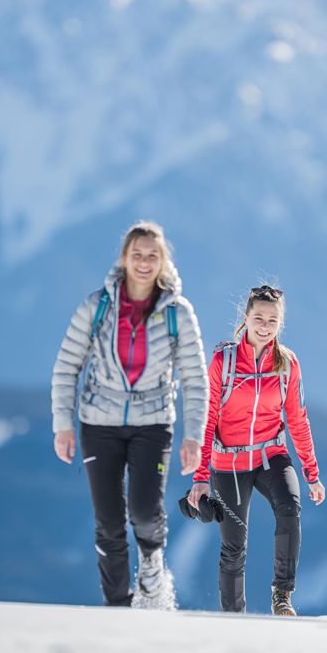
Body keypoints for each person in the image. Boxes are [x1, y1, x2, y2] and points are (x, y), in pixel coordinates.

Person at [52, 221, 209, 607]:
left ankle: (153, 565)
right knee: (108, 521)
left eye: (152, 256)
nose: (144, 262)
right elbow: (66, 366)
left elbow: (195, 378)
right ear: (123, 259)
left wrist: (194, 436)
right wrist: (62, 426)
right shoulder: (97, 307)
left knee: (142, 511)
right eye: (136, 255)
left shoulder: (178, 314)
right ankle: (118, 605)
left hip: (153, 423)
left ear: (163, 261)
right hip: (98, 423)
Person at [188, 285, 325, 616]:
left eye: (273, 320)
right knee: (234, 547)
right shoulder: (224, 361)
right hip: (229, 464)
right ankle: (234, 618)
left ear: (281, 323)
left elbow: (297, 419)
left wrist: (312, 473)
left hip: (270, 457)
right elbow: (207, 420)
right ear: (245, 318)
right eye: (259, 318)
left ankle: (282, 595)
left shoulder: (288, 365)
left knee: (290, 508)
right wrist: (201, 476)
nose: (265, 326)